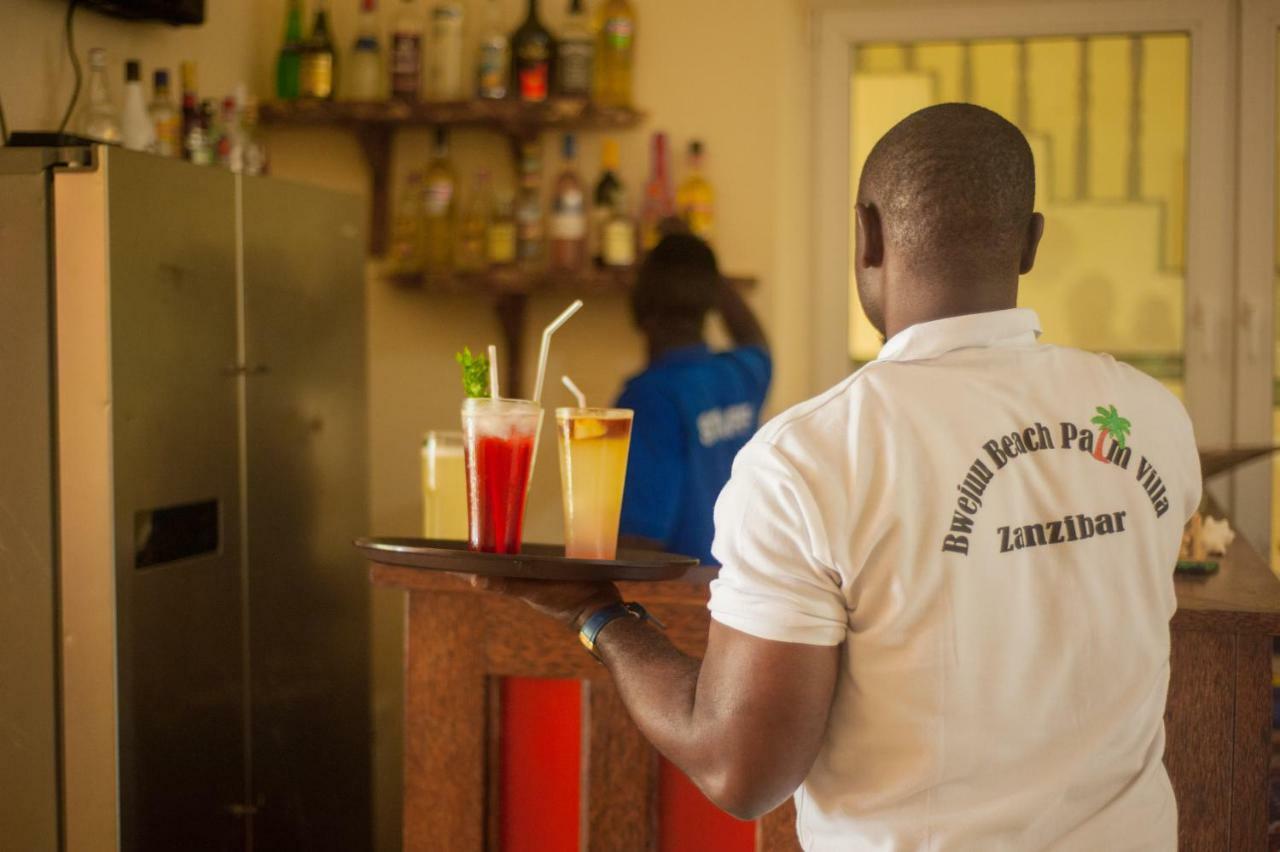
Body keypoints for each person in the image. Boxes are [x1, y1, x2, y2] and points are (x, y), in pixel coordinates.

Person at [475, 104, 1200, 849]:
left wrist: (600, 616)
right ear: (1031, 243)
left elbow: (740, 771)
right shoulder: (1151, 415)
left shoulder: (810, 460)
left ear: (868, 236)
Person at [614, 231, 771, 565]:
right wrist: (702, 267)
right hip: (737, 595)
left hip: (680, 603)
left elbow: (637, 548)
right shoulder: (741, 374)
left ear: (640, 306)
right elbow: (754, 337)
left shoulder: (648, 399)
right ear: (710, 303)